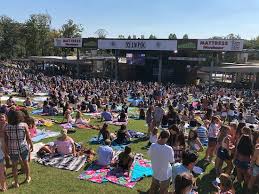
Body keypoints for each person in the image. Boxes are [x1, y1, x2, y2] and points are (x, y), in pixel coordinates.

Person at [5, 110, 33, 188]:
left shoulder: (6, 126)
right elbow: (28, 137)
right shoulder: (24, 125)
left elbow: (6, 140)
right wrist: (31, 145)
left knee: (14, 166)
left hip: (12, 148)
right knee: (26, 162)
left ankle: (16, 183)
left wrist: (6, 149)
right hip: (23, 147)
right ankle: (27, 178)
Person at [148, 130, 175, 194]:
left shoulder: (153, 145)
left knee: (153, 188)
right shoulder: (169, 149)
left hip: (155, 170)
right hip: (165, 173)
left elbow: (149, 154)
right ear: (167, 138)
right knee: (163, 190)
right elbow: (172, 161)